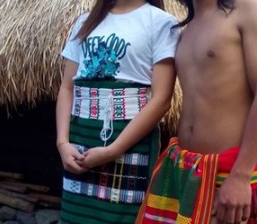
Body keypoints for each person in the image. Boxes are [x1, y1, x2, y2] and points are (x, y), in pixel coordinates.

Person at [136, 0, 257, 223]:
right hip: (184, 168)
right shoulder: (186, 28)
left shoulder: (249, 9)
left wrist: (241, 176)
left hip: (228, 172)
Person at [56, 0, 180, 223]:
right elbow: (67, 88)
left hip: (129, 142)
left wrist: (113, 150)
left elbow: (162, 99)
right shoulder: (85, 23)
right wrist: (63, 144)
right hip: (80, 140)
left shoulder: (161, 23)